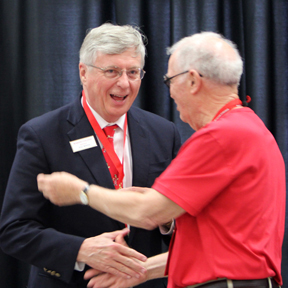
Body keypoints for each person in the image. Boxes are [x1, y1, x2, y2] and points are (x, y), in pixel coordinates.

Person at [37, 31, 286, 288]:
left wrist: (82, 192)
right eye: (112, 71)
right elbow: (218, 246)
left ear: (192, 81)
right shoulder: (250, 128)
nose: (170, 94)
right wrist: (141, 271)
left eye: (169, 81)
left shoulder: (220, 137)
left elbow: (148, 212)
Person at [0, 23, 181, 288]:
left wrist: (167, 220)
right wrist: (81, 250)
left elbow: (185, 220)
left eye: (133, 72)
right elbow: (14, 231)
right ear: (83, 73)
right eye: (111, 71)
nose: (124, 83)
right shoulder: (43, 134)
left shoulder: (164, 133)